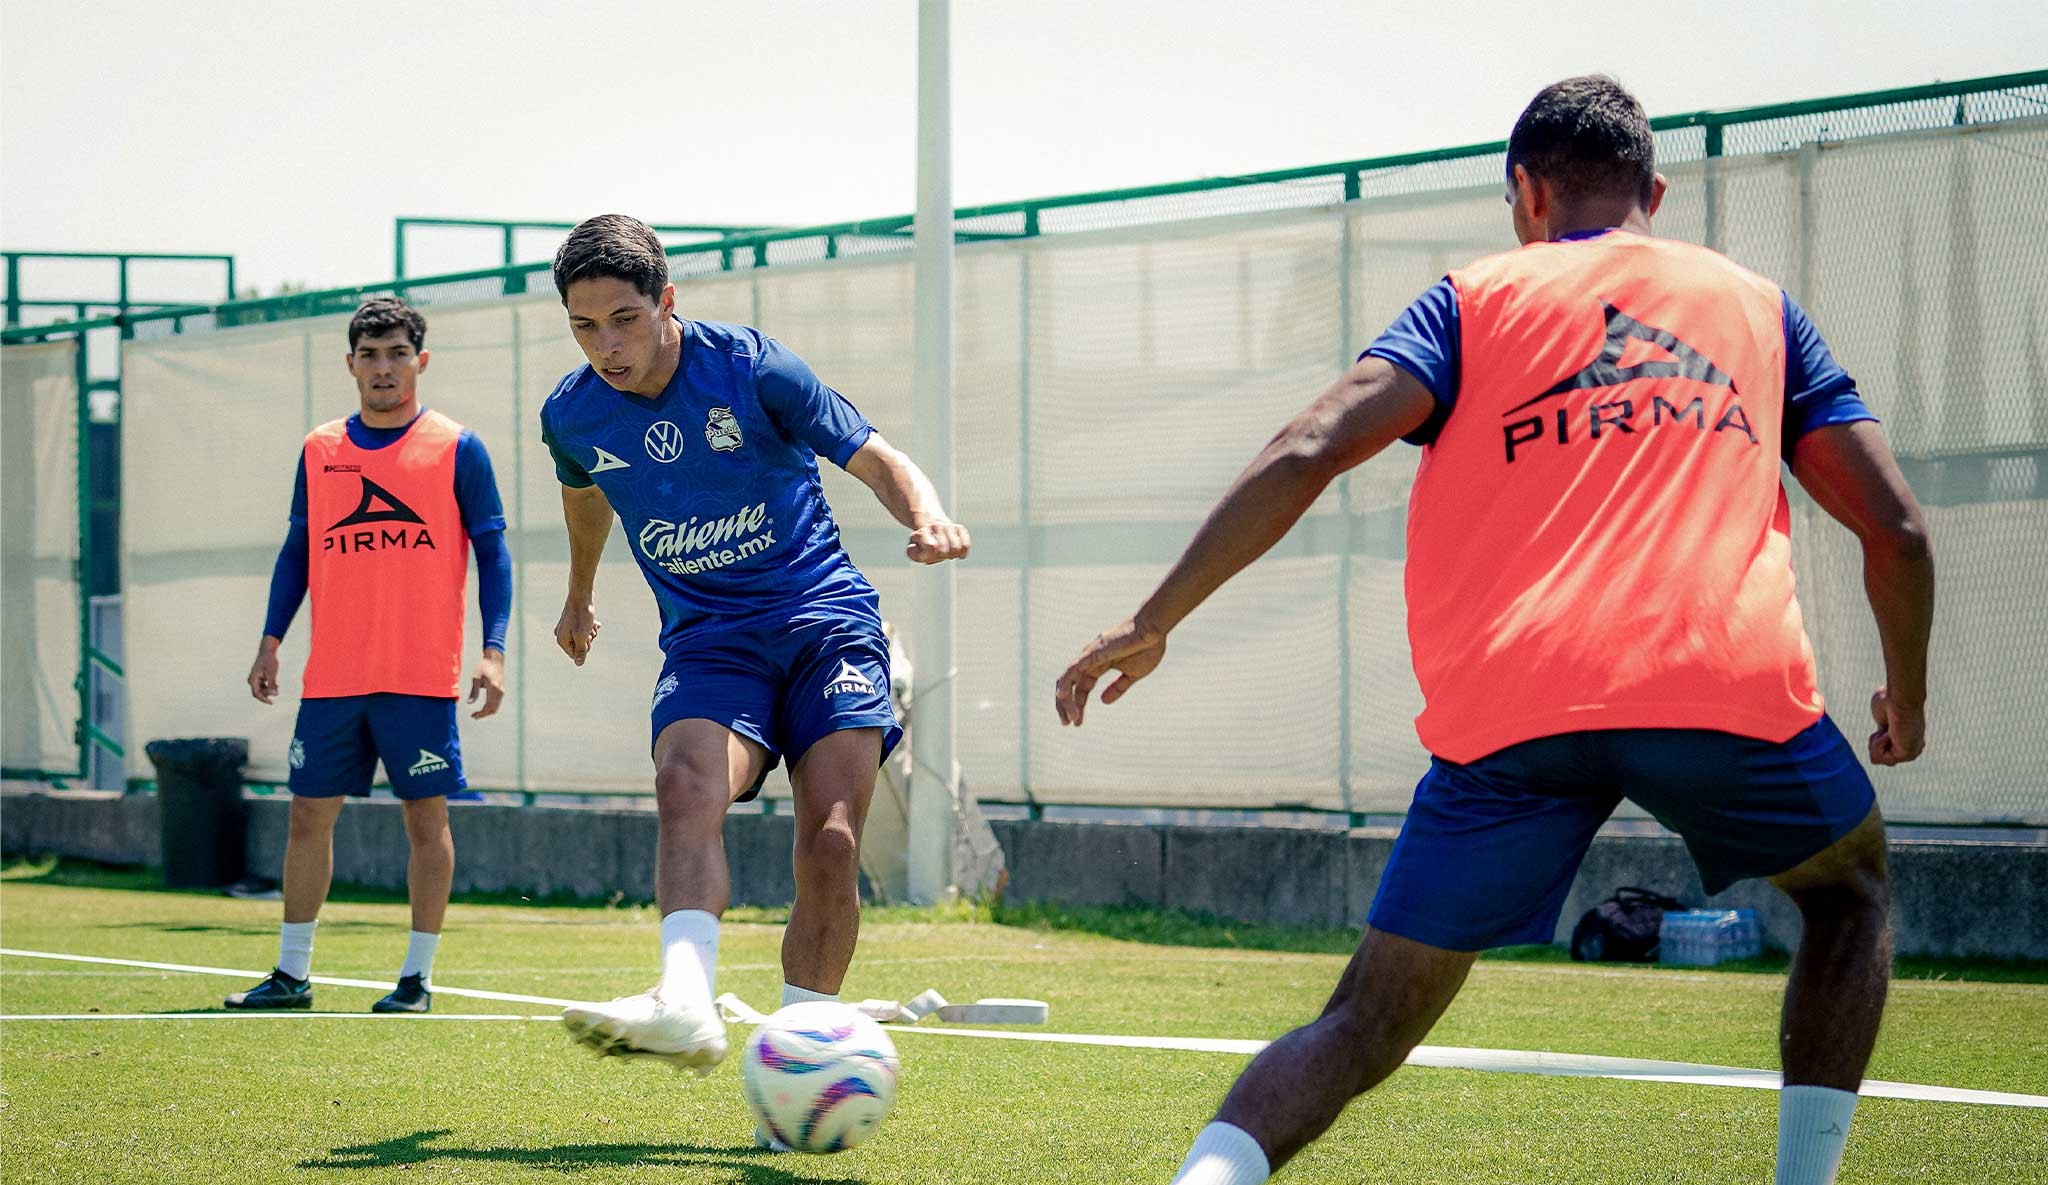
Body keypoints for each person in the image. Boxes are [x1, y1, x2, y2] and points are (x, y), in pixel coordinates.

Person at [1056, 77, 1931, 1185]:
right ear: (1653, 191)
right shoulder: (1757, 309)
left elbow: (1310, 445)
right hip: (1721, 688)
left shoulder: (1470, 301)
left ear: (1523, 191)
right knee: (1846, 894)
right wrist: (1904, 693)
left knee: (1366, 1020)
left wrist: (1152, 617)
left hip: (1513, 712)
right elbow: (1893, 528)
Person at [539, 215, 969, 1078]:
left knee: (833, 840)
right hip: (710, 642)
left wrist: (925, 516)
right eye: (584, 327)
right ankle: (687, 1005)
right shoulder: (573, 413)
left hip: (826, 626)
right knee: (683, 783)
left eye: (623, 319)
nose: (606, 347)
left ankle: (804, 1052)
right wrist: (580, 591)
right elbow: (586, 493)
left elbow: (874, 453)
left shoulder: (752, 367)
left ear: (667, 300)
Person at [228, 296, 513, 1015]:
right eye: (369, 354)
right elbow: (298, 548)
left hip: (418, 676)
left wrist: (493, 650)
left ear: (421, 360)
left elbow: (494, 552)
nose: (382, 368)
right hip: (333, 677)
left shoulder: (457, 446)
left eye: (396, 354)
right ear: (350, 363)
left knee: (426, 823)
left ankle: (416, 979)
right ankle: (292, 974)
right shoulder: (320, 447)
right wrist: (271, 640)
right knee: (305, 819)